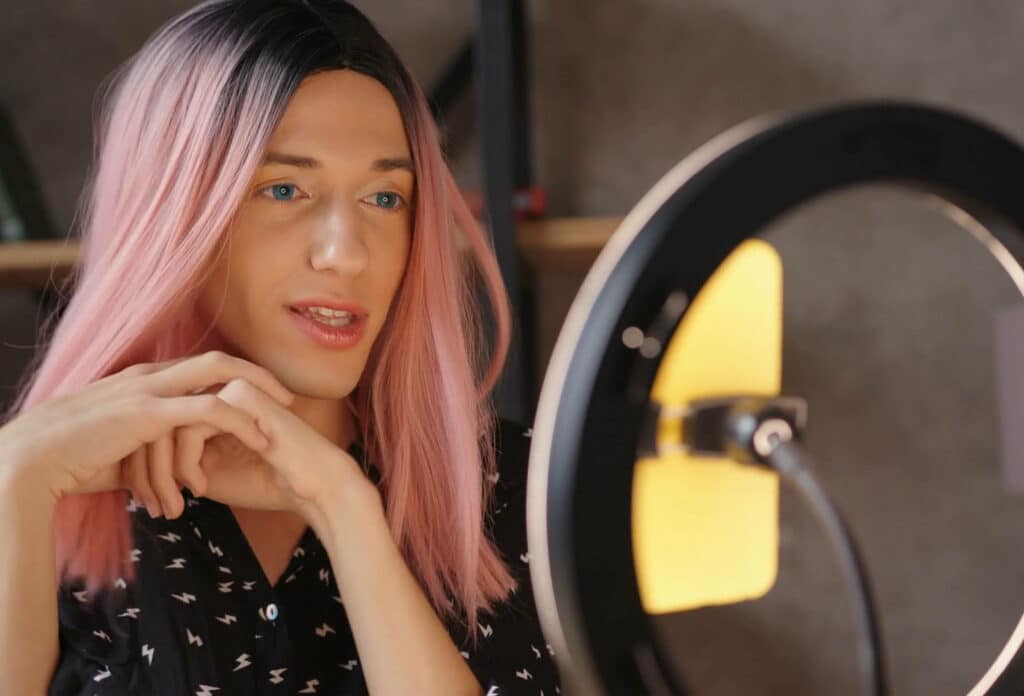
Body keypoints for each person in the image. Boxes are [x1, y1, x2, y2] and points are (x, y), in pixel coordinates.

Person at [0, 1, 562, 694]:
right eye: (285, 188)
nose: (346, 255)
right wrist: (16, 474)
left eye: (385, 198)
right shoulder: (41, 491)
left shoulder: (528, 491)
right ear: (174, 212)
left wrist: (342, 505)